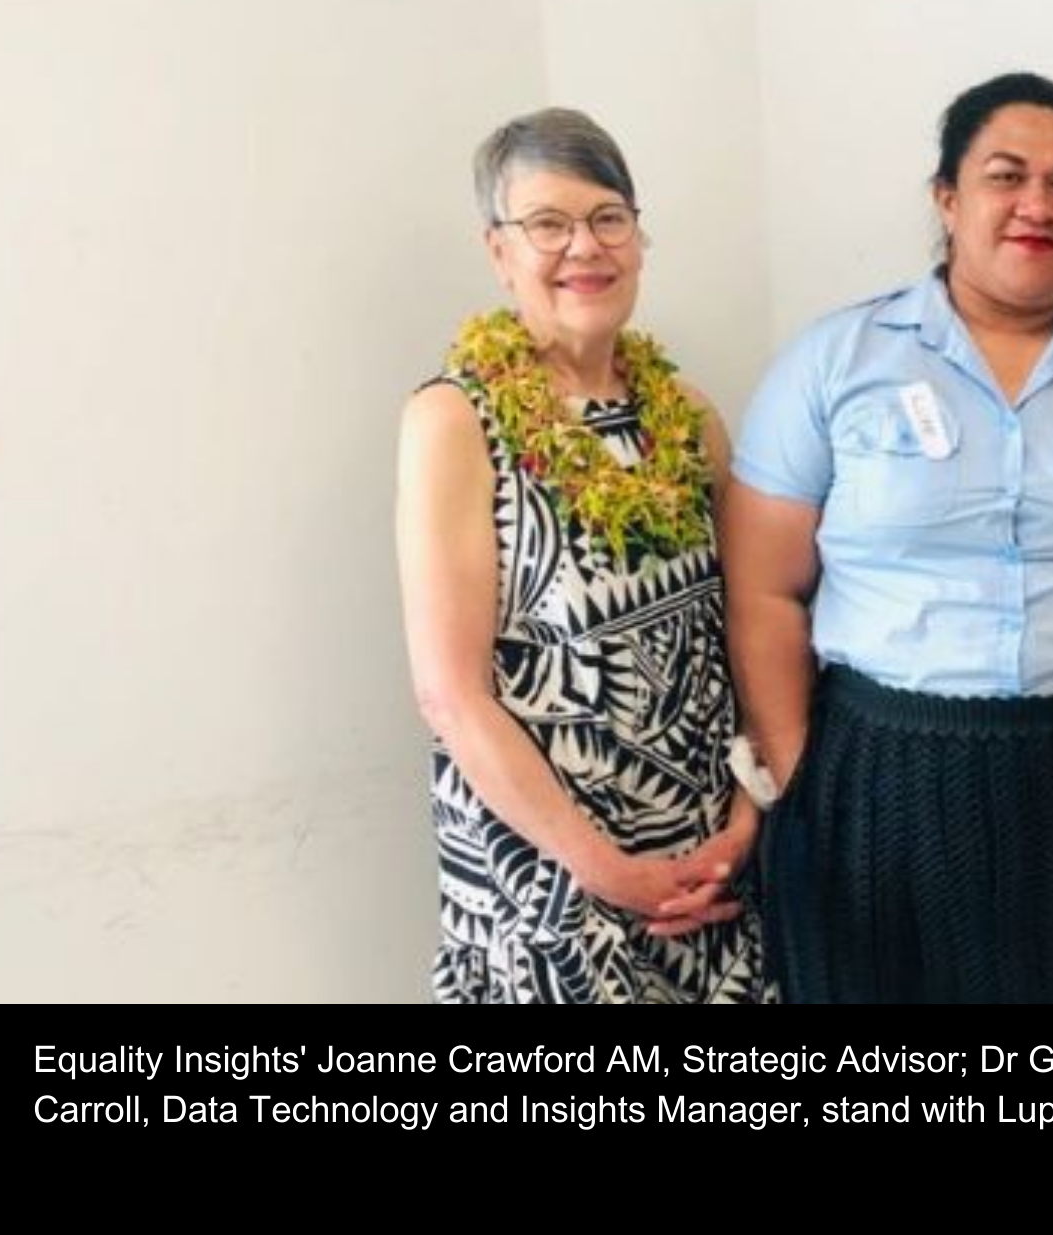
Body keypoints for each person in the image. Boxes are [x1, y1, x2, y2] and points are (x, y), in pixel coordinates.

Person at [725, 72, 1053, 1003]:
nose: (1037, 206)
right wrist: (801, 775)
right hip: (883, 785)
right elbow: (766, 591)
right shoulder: (834, 361)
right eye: (1006, 177)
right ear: (947, 199)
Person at [395, 107, 768, 1003]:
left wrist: (747, 819)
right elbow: (451, 693)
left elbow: (749, 631)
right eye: (547, 225)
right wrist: (599, 865)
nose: (584, 248)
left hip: (705, 876)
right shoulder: (454, 420)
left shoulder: (686, 414)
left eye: (608, 217)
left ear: (639, 237)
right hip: (548, 887)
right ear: (498, 251)